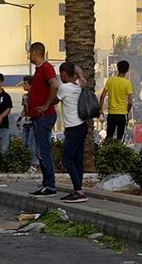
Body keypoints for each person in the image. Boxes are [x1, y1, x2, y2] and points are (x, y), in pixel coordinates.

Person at [27, 42, 60, 197]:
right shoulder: (39, 69)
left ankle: (50, 185)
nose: (28, 55)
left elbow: (54, 84)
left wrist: (46, 105)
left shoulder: (46, 67)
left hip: (44, 117)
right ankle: (46, 184)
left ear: (35, 52)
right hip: (37, 116)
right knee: (40, 150)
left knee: (43, 150)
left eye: (30, 52)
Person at [55, 62, 88, 203]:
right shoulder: (78, 86)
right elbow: (77, 68)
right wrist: (80, 77)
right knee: (78, 160)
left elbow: (54, 100)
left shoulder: (64, 88)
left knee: (67, 159)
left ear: (63, 74)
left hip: (73, 128)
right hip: (82, 126)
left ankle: (78, 191)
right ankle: (77, 190)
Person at [99, 60, 133, 141]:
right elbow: (130, 102)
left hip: (111, 114)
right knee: (119, 138)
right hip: (122, 115)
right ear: (127, 70)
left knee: (109, 136)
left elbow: (102, 96)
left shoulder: (110, 80)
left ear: (118, 69)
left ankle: (107, 152)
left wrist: (100, 109)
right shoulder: (127, 83)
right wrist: (127, 111)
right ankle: (118, 152)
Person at [16, 76, 38, 172]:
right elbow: (25, 110)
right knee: (24, 143)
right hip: (27, 122)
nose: (23, 86)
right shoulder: (25, 97)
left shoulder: (36, 96)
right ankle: (27, 163)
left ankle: (34, 164)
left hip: (34, 123)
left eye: (25, 84)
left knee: (31, 143)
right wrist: (19, 119)